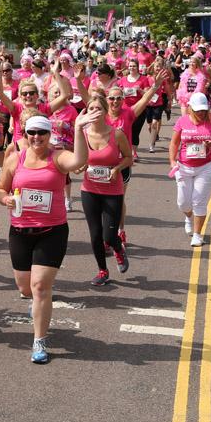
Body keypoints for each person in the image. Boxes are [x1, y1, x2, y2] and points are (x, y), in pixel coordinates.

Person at [0, 113, 91, 365]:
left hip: (52, 232)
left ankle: (39, 339)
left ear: (50, 136)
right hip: (20, 232)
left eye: (42, 133)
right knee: (26, 288)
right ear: (25, 134)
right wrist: (6, 199)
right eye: (32, 132)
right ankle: (39, 304)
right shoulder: (15, 159)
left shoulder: (58, 157)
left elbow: (80, 159)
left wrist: (79, 127)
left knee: (40, 287)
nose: (36, 137)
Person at [78, 92, 133, 285]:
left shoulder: (116, 134)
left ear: (105, 111)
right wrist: (80, 166)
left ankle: (118, 249)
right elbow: (79, 160)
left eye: (98, 108)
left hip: (112, 190)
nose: (94, 112)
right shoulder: (83, 134)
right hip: (89, 189)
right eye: (91, 108)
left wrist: (117, 168)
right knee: (95, 235)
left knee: (108, 236)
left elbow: (129, 158)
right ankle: (102, 270)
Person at [170, 92, 211, 248]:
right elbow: (174, 143)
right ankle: (188, 217)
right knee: (183, 203)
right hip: (184, 166)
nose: (201, 113)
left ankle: (197, 235)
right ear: (190, 108)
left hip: (207, 166)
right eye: (198, 110)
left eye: (203, 109)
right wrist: (172, 161)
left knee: (198, 201)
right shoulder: (182, 121)